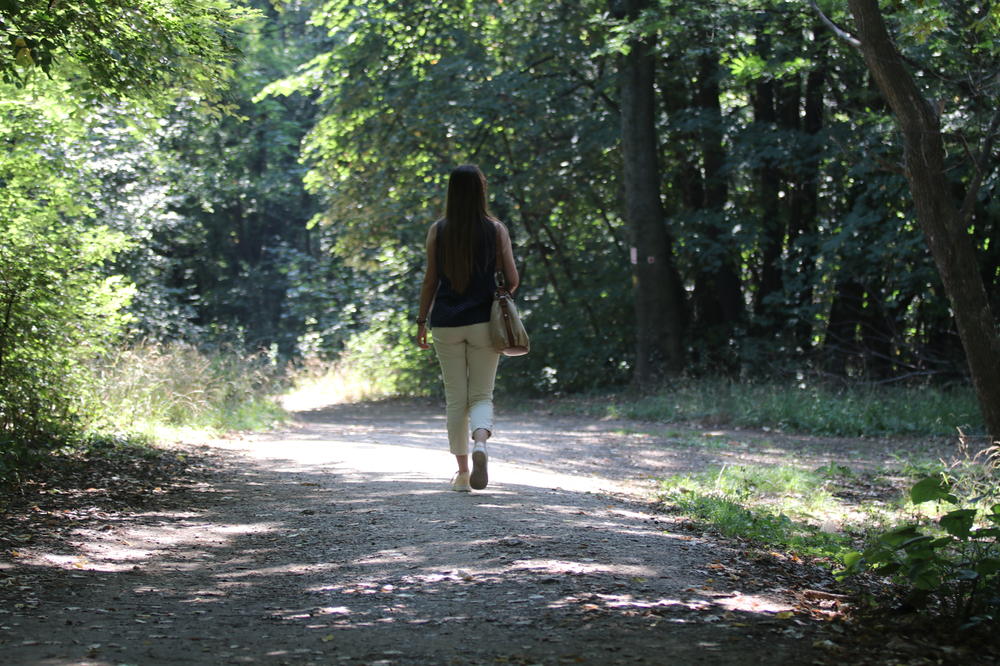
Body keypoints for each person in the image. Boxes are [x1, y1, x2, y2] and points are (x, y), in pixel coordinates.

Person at [416, 164, 519, 492]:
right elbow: (512, 280)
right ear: (481, 190)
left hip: (446, 323)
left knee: (456, 398)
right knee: (481, 394)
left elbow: (430, 280)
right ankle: (480, 444)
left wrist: (421, 321)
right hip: (484, 323)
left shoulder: (438, 230)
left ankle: (462, 474)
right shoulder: (496, 230)